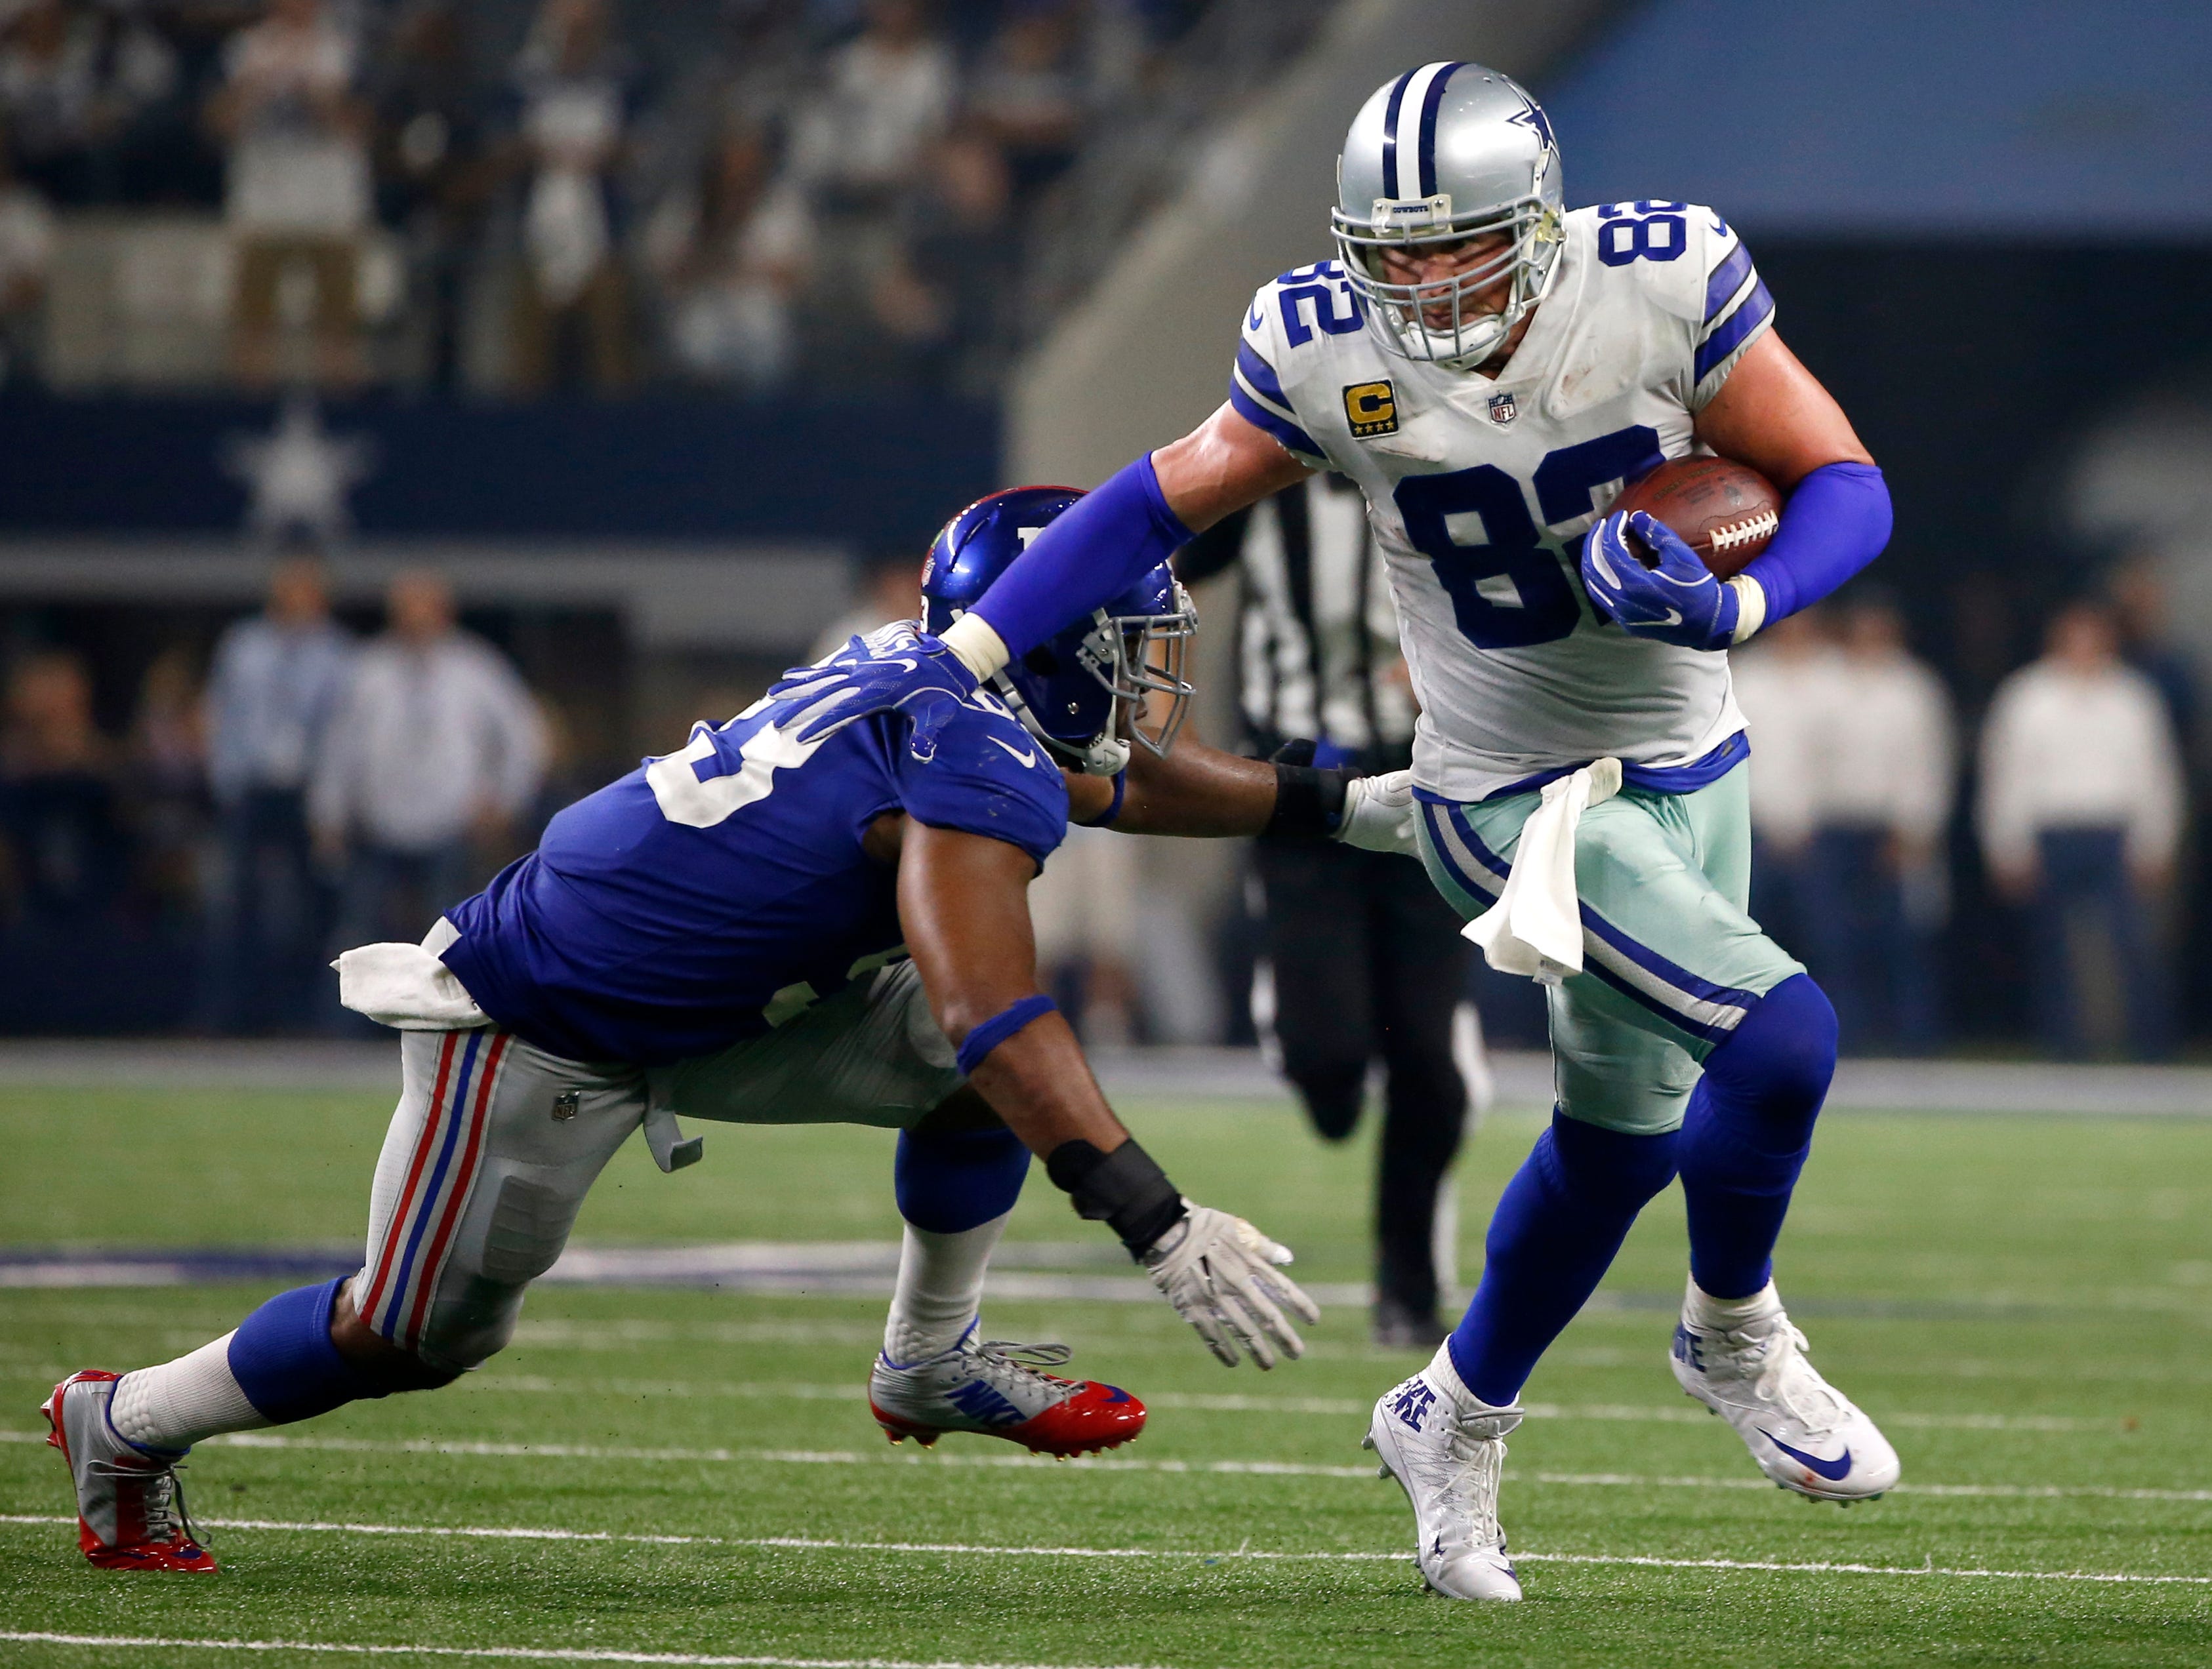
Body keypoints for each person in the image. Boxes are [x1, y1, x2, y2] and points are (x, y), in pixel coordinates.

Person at [823, 66, 1902, 1599]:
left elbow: (1841, 482)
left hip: (1683, 753)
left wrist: (1738, 599)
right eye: (1387, 254)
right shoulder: (1322, 343)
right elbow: (1152, 500)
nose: (1416, 284)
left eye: (1451, 247)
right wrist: (977, 649)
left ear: (1531, 219)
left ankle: (1442, 1417)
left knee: (1612, 1151)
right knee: (1784, 1038)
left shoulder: (1658, 279)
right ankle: (1731, 1331)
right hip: (1497, 790)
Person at [40, 486, 1431, 1573]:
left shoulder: (945, 686)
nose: (1152, 674)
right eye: (1128, 644)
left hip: (718, 994)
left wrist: (1347, 806)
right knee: (414, 1333)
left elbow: (1115, 786)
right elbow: (994, 1011)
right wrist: (1156, 1219)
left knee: (966, 1078)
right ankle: (125, 1418)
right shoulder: (976, 751)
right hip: (545, 1022)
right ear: (1055, 641)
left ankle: (930, 1358)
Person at [1178, 472, 1482, 1348]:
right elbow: (1161, 563)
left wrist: (1469, 674)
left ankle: (1407, 1291)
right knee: (1332, 1064)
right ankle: (1310, 1040)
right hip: (1300, 786)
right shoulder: (1266, 486)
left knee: (1430, 1059)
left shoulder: (1455, 476)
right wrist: (1167, 701)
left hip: (1429, 782)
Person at [1978, 599, 2183, 1059]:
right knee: (2052, 950)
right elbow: (2008, 775)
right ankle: (2064, 1050)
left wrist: (2156, 841)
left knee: (2133, 944)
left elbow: (2156, 775)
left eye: (2093, 637)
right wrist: (2008, 844)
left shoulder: (2133, 698)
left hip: (2115, 833)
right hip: (2051, 833)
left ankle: (2152, 1051)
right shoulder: (2027, 697)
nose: (2084, 647)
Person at [310, 571, 547, 964]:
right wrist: (328, 812)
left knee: (449, 940)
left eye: (425, 606)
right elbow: (338, 747)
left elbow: (524, 736)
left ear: (443, 611)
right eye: (407, 607)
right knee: (360, 939)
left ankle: (447, 1023)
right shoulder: (367, 670)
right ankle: (346, 1026)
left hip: (451, 823)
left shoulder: (476, 668)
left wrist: (505, 799)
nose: (416, 616)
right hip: (377, 826)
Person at [204, 553, 355, 1034]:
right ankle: (227, 1015)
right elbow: (222, 714)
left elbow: (344, 730)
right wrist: (226, 782)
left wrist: (332, 802)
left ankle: (306, 1018)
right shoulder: (244, 645)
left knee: (312, 909)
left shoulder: (338, 652)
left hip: (307, 792)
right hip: (251, 787)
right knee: (234, 904)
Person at [1799, 596, 1953, 1053]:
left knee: (1902, 941)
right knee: (1835, 940)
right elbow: (1806, 760)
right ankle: (1847, 1038)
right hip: (1834, 825)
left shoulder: (1914, 689)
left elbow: (1928, 762)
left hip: (1892, 829)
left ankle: (1913, 1041)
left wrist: (1916, 826)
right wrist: (1802, 817)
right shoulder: (1824, 687)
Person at [205, 0, 373, 390]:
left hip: (332, 206)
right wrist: (256, 85)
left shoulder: (345, 49)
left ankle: (340, 415)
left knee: (337, 324)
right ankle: (250, 412)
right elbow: (216, 125)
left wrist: (320, 95)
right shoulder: (242, 49)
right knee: (254, 323)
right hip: (263, 204)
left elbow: (363, 128)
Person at [506, 0, 635, 393]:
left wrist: (606, 155)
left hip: (601, 225)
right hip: (537, 223)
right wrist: (539, 152)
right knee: (530, 348)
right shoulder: (526, 76)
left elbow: (641, 146)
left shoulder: (623, 74)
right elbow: (503, 144)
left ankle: (618, 438)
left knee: (610, 343)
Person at [1727, 608, 1839, 958]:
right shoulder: (1745, 675)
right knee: (1745, 943)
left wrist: (1806, 822)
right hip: (1752, 833)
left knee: (1829, 946)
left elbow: (1843, 764)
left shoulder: (1838, 678)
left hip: (1827, 835)